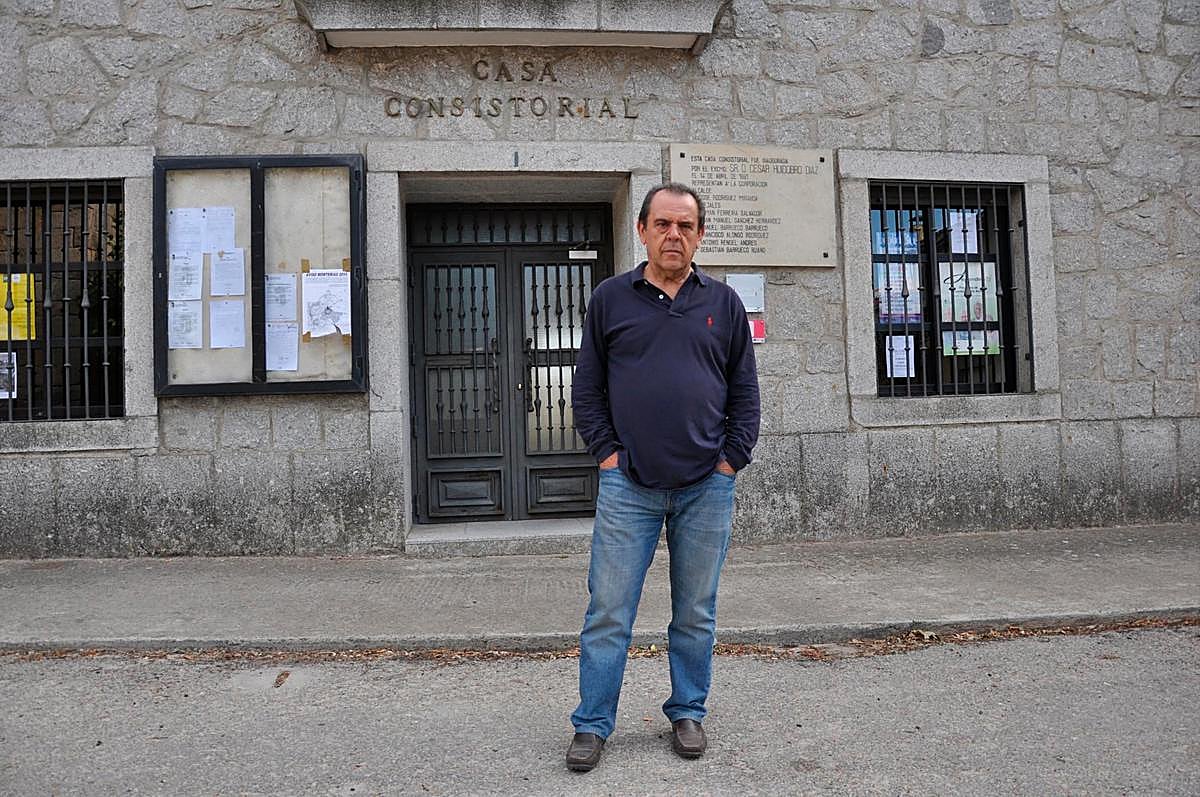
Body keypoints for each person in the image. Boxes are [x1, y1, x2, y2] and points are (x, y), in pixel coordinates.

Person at [565, 182, 760, 772]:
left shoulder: (723, 303)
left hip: (706, 486)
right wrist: (607, 455)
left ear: (700, 235)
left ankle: (687, 711)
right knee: (608, 611)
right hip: (630, 487)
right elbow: (588, 389)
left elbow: (744, 393)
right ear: (643, 230)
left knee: (695, 610)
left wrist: (730, 462)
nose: (674, 234)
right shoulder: (610, 298)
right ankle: (593, 725)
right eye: (663, 224)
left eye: (686, 225)